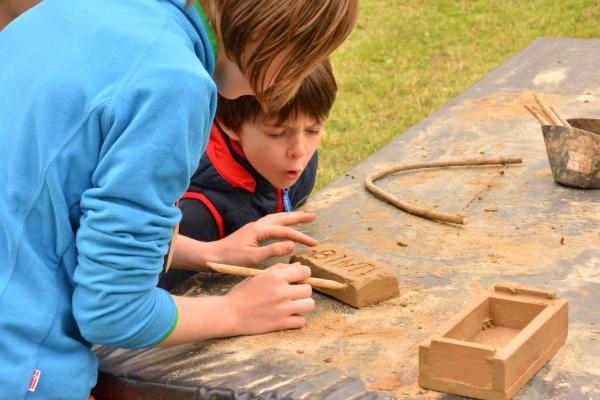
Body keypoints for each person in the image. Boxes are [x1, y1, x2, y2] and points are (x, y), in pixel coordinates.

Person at [0, 0, 358, 398]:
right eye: (303, 56)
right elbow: (113, 311)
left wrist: (204, 253)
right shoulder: (173, 81)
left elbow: (48, 197)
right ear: (265, 29)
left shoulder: (81, 10)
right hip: (20, 363)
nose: (296, 81)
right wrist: (237, 310)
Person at [159, 59, 336, 291]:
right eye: (277, 133)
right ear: (229, 124)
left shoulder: (297, 164)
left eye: (313, 130)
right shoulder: (196, 213)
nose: (300, 151)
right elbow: (156, 297)